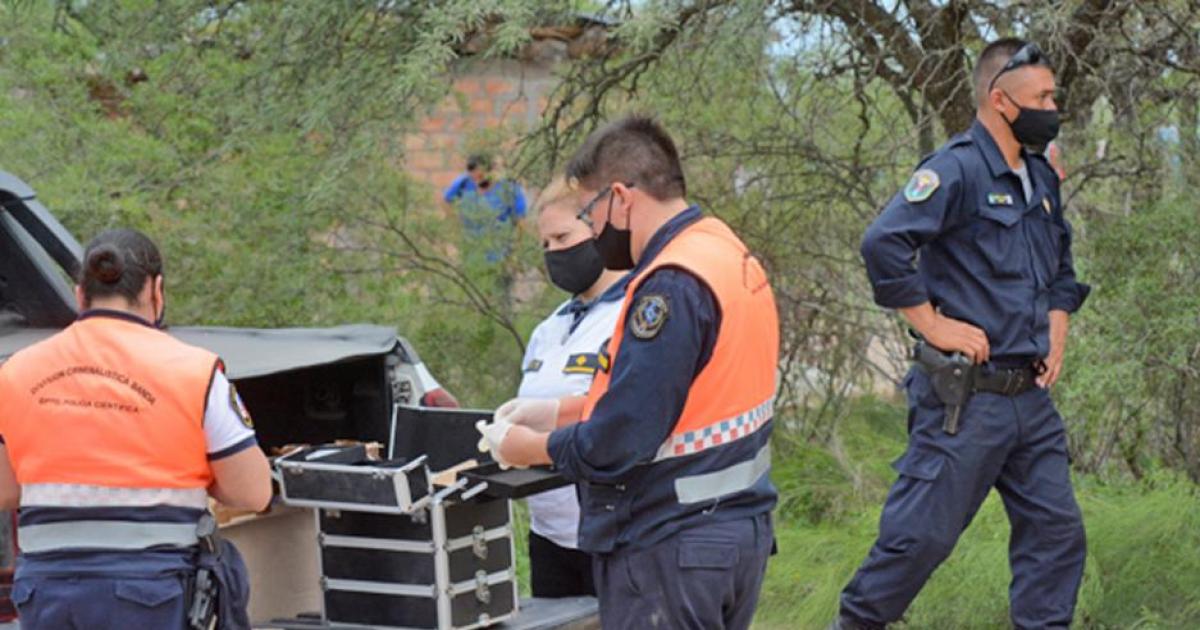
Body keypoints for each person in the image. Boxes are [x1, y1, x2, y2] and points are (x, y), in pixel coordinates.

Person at [477, 115, 780, 629]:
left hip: (671, 542)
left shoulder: (668, 287)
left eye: (591, 216)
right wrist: (556, 411)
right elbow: (679, 397)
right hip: (734, 531)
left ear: (621, 197)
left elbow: (619, 440)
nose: (594, 233)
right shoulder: (724, 251)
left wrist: (525, 447)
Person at [832, 39, 1091, 630]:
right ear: (1000, 100)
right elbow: (883, 243)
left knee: (1057, 536)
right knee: (917, 542)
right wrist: (931, 322)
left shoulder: (1039, 176)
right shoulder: (956, 169)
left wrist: (1058, 327)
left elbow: (1060, 267)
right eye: (1043, 97)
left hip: (1030, 398)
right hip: (965, 403)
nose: (1054, 106)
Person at [0, 228, 273, 629]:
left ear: (80, 295)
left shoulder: (15, 373)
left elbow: (5, 490)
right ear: (156, 291)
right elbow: (252, 492)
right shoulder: (194, 371)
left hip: (48, 593)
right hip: (150, 593)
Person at [506, 176, 626, 598]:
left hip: (611, 536)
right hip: (549, 535)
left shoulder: (632, 314)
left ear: (598, 230)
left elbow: (619, 412)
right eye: (545, 244)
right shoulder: (549, 327)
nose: (554, 253)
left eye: (562, 237)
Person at [443, 153, 529, 230]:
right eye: (473, 178)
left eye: (480, 177)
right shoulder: (463, 183)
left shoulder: (510, 190)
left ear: (491, 171)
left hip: (499, 244)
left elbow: (521, 222)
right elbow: (447, 201)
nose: (476, 182)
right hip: (469, 244)